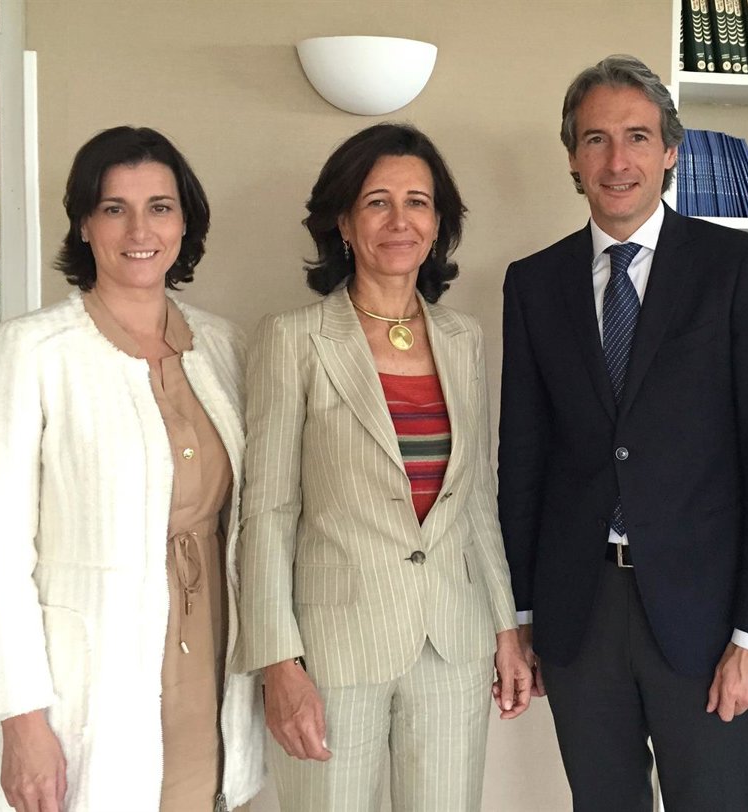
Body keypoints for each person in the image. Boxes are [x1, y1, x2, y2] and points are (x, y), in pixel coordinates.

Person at [497, 54, 748, 811]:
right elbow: (524, 458)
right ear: (572, 157)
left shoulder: (736, 265)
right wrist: (521, 613)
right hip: (579, 611)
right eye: (596, 139)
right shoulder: (533, 282)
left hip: (708, 618)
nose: (617, 160)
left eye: (637, 137)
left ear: (671, 150)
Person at [0, 126, 265, 812]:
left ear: (184, 221)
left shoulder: (226, 347)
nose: (139, 230)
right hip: (93, 679)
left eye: (159, 207)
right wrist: (21, 719)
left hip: (213, 655)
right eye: (114, 208)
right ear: (84, 224)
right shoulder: (28, 351)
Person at [236, 122, 530, 812]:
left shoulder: (463, 338)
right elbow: (267, 512)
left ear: (439, 223)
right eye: (377, 202)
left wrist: (505, 629)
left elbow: (476, 500)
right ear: (343, 222)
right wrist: (278, 661)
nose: (400, 220)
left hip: (452, 641)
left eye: (418, 202)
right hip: (332, 650)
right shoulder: (293, 339)